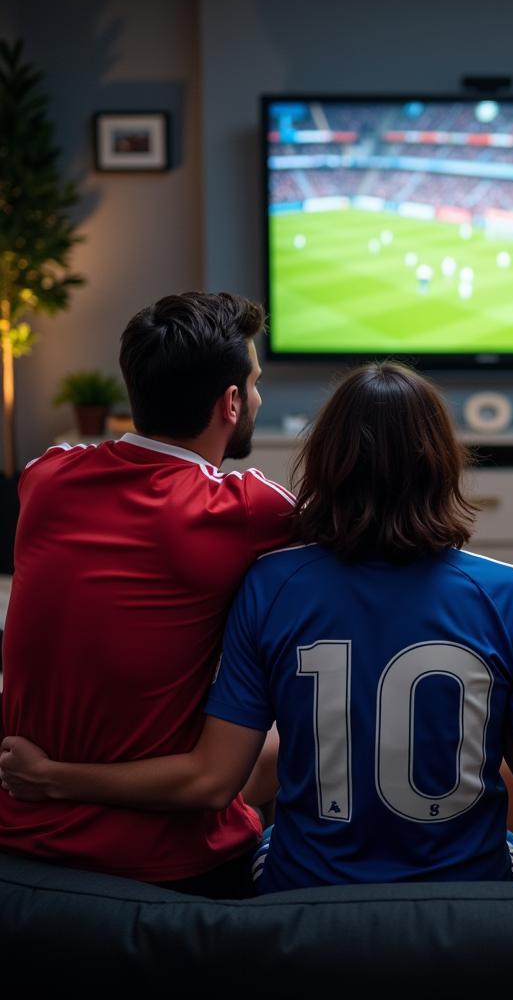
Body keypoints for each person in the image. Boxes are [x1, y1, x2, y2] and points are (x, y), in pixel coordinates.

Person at [1, 363, 513, 893]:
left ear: (328, 462)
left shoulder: (269, 581)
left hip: (307, 886)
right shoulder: (512, 592)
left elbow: (216, 776)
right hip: (468, 890)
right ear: (445, 461)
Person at [0, 292, 294, 895]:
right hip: (173, 860)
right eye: (256, 383)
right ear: (231, 402)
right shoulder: (241, 509)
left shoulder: (44, 478)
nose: (259, 397)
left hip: (20, 830)